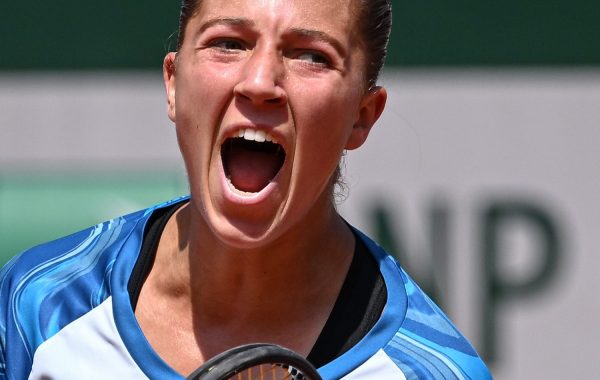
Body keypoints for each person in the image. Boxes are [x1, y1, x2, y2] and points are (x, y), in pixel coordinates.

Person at [0, 0, 492, 378]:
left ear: (362, 117)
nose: (260, 82)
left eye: (310, 56)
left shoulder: (429, 370)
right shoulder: (33, 305)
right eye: (229, 43)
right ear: (173, 83)